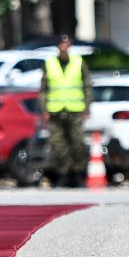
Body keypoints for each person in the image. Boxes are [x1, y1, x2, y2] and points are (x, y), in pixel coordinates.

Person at [40, 34, 91, 188]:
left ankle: (78, 175)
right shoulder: (49, 63)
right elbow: (43, 89)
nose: (64, 47)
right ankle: (63, 175)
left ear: (70, 46)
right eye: (61, 44)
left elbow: (87, 86)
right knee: (58, 145)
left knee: (77, 144)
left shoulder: (79, 62)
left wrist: (87, 107)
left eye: (66, 44)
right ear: (57, 46)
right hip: (55, 111)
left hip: (75, 111)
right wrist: (44, 109)